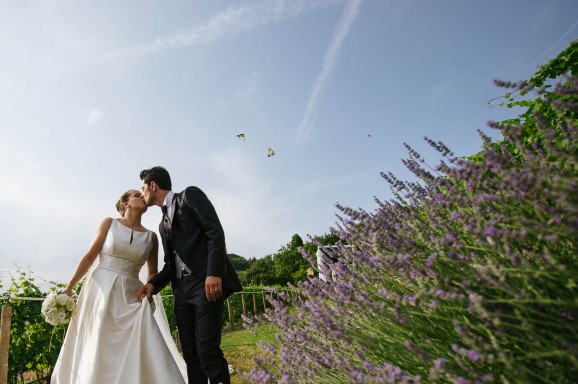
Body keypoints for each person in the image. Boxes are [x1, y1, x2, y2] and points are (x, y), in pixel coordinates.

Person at [52, 190, 187, 384]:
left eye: (142, 194)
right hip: (101, 289)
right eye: (136, 195)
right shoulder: (109, 223)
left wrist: (150, 289)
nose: (142, 196)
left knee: (131, 342)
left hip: (132, 295)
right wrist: (69, 287)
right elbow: (90, 256)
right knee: (99, 338)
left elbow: (152, 273)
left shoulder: (152, 237)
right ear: (125, 204)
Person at [137, 166, 242, 384]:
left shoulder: (189, 195)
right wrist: (153, 285)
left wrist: (214, 273)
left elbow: (215, 232)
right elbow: (169, 264)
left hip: (205, 285)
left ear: (153, 185)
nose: (142, 192)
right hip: (181, 292)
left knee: (207, 351)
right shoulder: (161, 224)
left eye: (143, 188)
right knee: (191, 355)